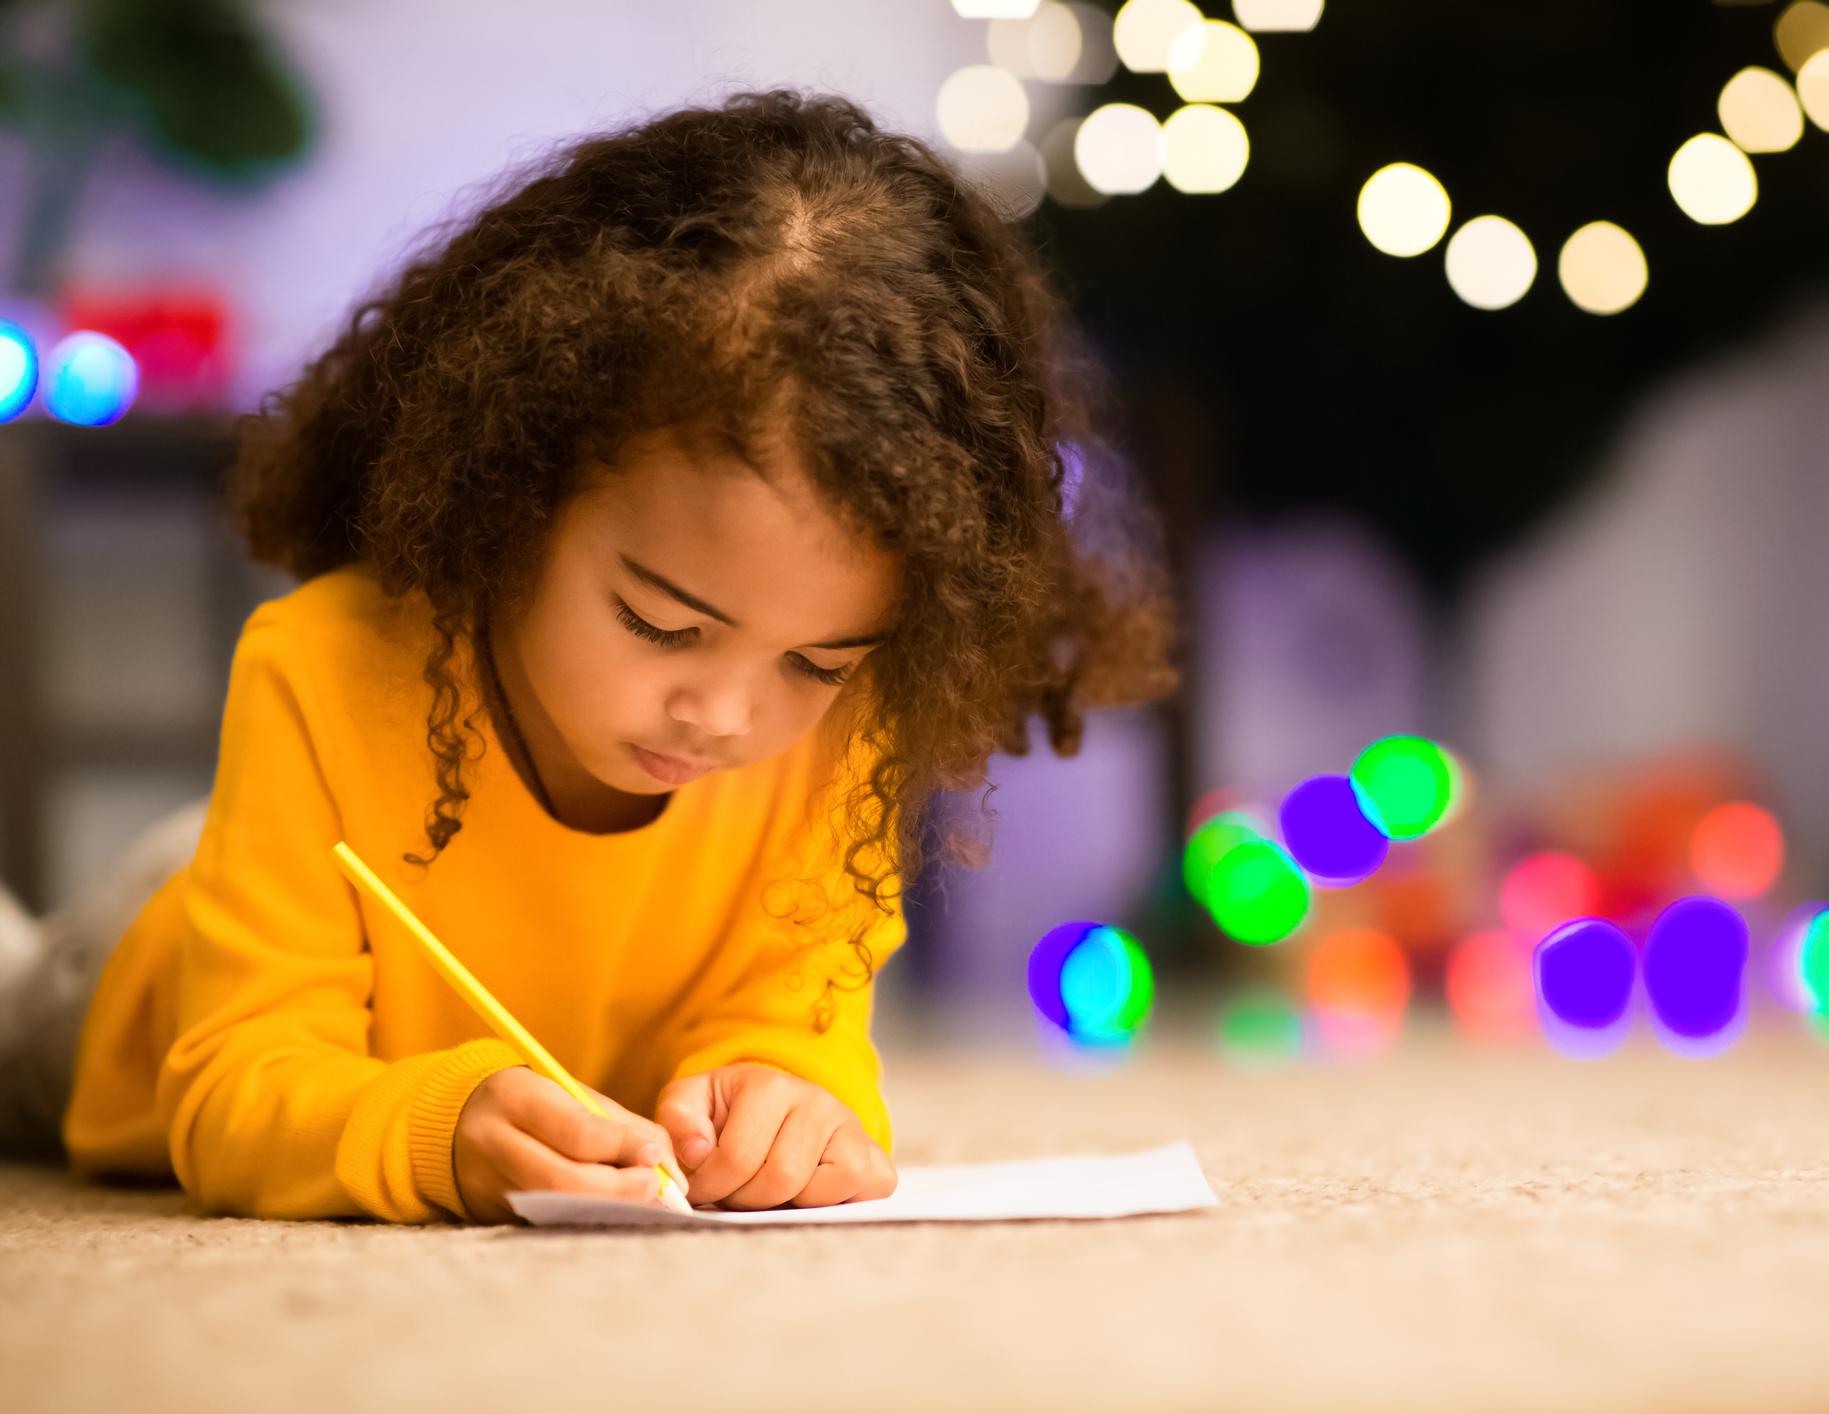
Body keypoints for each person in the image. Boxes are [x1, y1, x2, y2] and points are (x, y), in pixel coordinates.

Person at [0, 93, 1172, 1223]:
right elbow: (231, 1092)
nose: (725, 712)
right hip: (131, 977)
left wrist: (787, 1098)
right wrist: (438, 1132)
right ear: (514, 492)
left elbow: (794, 1025)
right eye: (664, 625)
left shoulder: (840, 725)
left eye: (814, 663)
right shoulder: (319, 667)